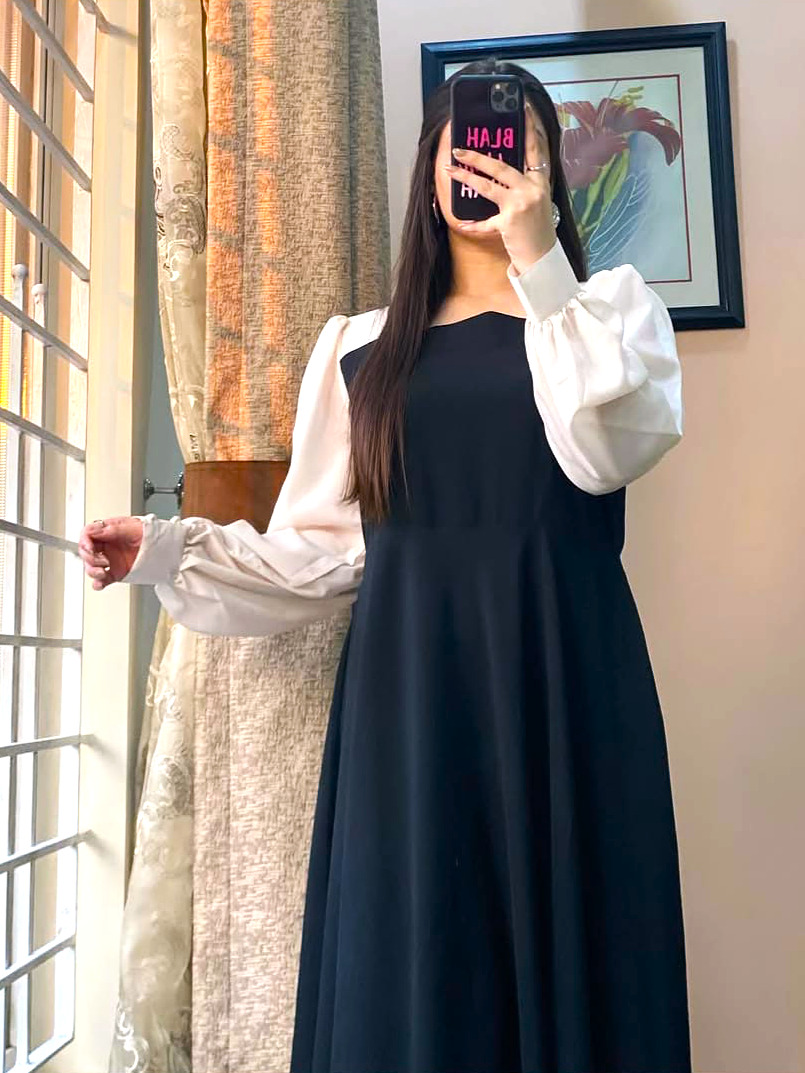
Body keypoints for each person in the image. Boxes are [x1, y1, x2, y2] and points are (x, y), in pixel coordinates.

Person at [79, 58, 691, 1073]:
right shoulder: (359, 349)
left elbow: (602, 456)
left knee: (577, 964)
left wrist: (538, 258)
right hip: (411, 701)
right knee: (410, 971)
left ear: (549, 174)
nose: (488, 162)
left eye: (519, 148)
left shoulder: (611, 314)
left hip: (565, 686)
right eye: (465, 144)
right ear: (428, 170)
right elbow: (323, 550)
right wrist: (171, 547)